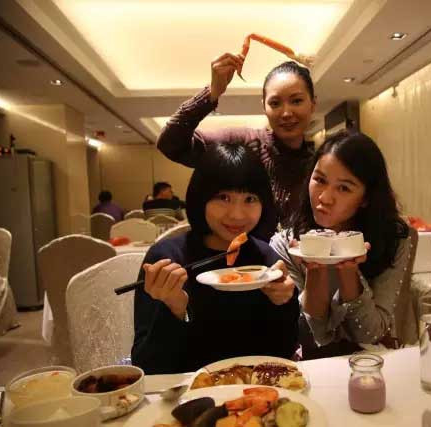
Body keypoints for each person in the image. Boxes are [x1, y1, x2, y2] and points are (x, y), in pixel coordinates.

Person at [132, 143, 299, 374]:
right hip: (192, 391)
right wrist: (175, 310)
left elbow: (283, 352)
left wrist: (284, 302)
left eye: (250, 199)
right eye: (223, 197)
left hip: (253, 390)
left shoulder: (265, 258)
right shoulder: (167, 259)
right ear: (201, 197)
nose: (237, 215)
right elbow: (148, 367)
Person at [270, 130, 412, 359]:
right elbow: (315, 336)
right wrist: (315, 269)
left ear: (366, 198)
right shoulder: (287, 244)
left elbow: (370, 333)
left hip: (376, 362)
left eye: (344, 188)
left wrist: (348, 271)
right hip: (315, 366)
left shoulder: (393, 238)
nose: (324, 198)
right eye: (320, 180)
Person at [156, 55, 317, 226]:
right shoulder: (245, 143)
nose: (286, 113)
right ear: (264, 107)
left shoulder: (319, 165)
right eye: (275, 103)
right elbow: (170, 143)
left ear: (313, 104)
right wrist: (212, 92)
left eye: (296, 101)